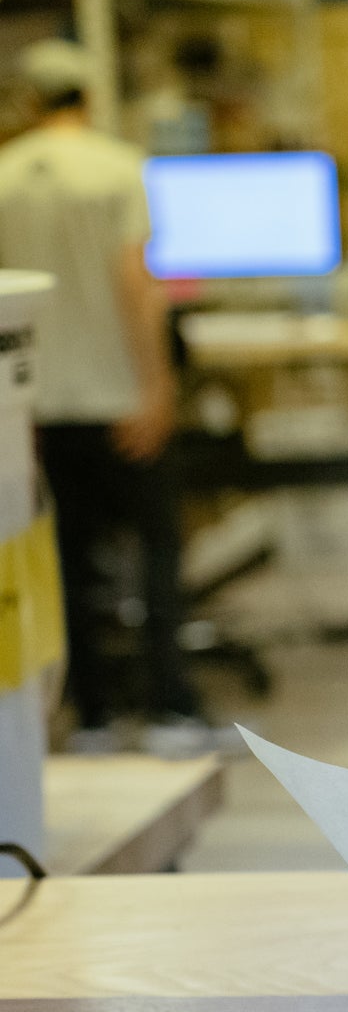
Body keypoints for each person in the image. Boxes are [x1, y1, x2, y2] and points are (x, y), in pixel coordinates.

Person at [0, 39, 211, 756]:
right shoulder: (121, 170)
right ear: (86, 99)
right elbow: (136, 286)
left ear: (30, 102)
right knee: (156, 555)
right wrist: (156, 387)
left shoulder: (3, 176)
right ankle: (168, 708)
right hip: (119, 399)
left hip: (38, 411)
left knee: (63, 561)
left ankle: (88, 713)